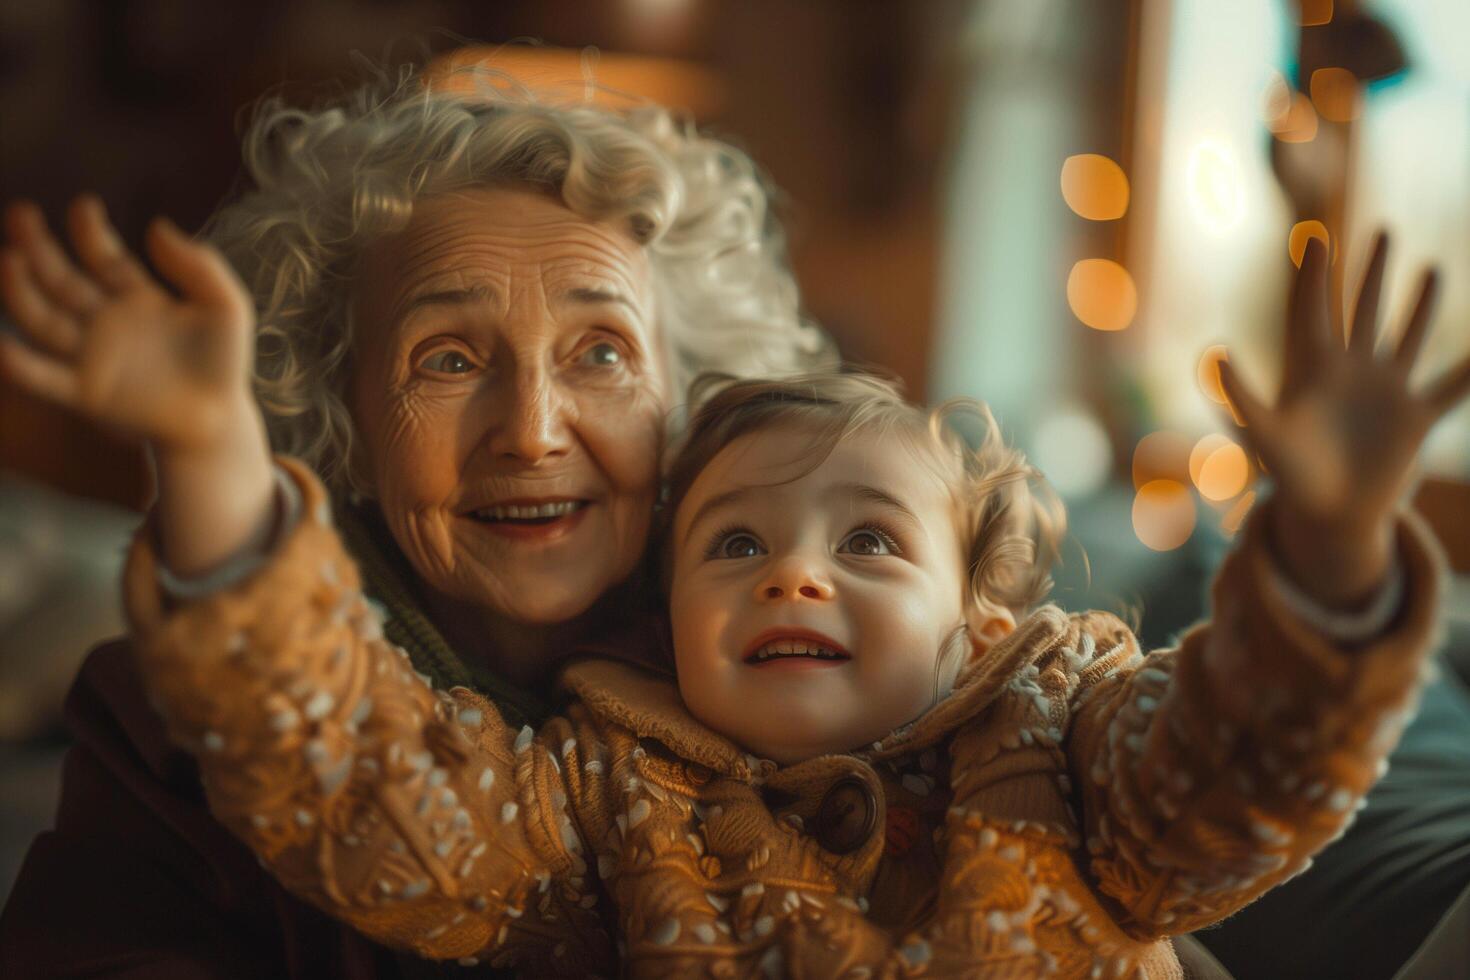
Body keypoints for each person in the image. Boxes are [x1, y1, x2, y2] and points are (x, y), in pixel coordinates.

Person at [11, 205, 1469, 973]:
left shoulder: (1065, 731)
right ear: (666, 598)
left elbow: (1234, 780)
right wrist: (206, 460)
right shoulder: (597, 792)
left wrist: (1327, 559)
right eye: (736, 545)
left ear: (976, 614)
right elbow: (375, 800)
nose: (792, 570)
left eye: (870, 544)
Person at [0, 66, 831, 979]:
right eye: (447, 360)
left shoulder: (796, 663)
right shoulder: (175, 727)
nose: (531, 432)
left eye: (602, 351)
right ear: (339, 416)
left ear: (686, 407)